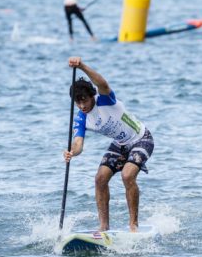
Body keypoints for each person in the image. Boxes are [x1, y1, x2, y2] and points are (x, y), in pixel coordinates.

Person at [63, 57, 154, 232]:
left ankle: (133, 225)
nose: (82, 105)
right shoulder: (81, 118)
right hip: (120, 144)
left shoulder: (104, 99)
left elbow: (102, 83)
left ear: (92, 97)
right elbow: (78, 143)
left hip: (141, 138)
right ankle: (104, 226)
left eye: (84, 100)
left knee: (127, 175)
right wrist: (71, 153)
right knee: (100, 179)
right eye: (78, 102)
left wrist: (81, 66)